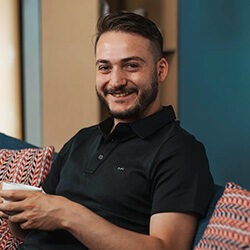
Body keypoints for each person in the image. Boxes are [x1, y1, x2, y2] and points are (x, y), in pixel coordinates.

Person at [0, 12, 214, 250]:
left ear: (160, 70)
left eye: (131, 66)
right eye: (105, 67)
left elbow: (167, 247)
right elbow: (31, 228)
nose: (116, 81)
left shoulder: (180, 151)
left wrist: (68, 214)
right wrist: (15, 212)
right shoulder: (82, 139)